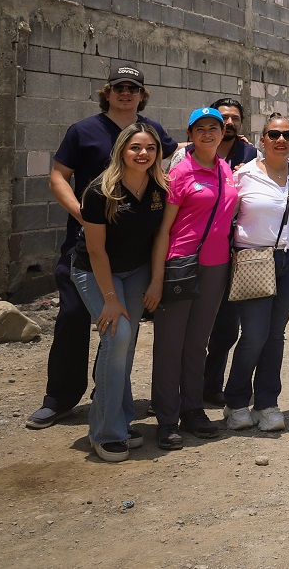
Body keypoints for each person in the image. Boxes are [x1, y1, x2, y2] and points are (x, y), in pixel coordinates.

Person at [28, 64, 178, 430]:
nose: (126, 93)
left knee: (120, 328)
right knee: (72, 316)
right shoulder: (83, 131)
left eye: (133, 88)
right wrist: (83, 214)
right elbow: (58, 176)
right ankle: (60, 398)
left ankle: (107, 393)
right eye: (119, 87)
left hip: (132, 253)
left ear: (142, 95)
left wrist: (232, 145)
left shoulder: (151, 131)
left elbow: (178, 157)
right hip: (86, 244)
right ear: (106, 93)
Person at [69, 123, 168, 460]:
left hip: (137, 271)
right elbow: (96, 251)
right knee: (118, 335)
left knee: (125, 345)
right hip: (95, 271)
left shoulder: (160, 187)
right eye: (135, 147)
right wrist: (110, 299)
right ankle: (105, 432)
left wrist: (156, 281)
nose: (143, 154)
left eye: (150, 148)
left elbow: (160, 237)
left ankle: (121, 419)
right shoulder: (101, 191)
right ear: (122, 150)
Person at [150, 107, 240, 450]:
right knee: (170, 345)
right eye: (200, 128)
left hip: (216, 267)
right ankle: (166, 418)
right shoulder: (181, 173)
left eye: (213, 127)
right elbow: (163, 230)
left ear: (222, 132)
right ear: (189, 134)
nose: (207, 133)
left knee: (197, 342)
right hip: (181, 264)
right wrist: (157, 277)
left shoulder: (226, 170)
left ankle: (192, 409)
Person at [222, 114, 289, 433]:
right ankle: (235, 402)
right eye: (274, 134)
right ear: (262, 140)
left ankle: (267, 403)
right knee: (255, 334)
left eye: (287, 134)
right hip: (254, 258)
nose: (281, 139)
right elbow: (224, 214)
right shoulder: (243, 175)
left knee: (275, 334)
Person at [192, 97, 259, 411]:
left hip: (234, 251)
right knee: (188, 326)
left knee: (227, 327)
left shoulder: (250, 154)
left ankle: (210, 386)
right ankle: (180, 389)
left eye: (235, 118)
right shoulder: (189, 154)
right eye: (224, 118)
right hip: (192, 251)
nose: (229, 123)